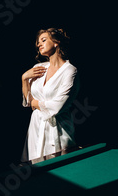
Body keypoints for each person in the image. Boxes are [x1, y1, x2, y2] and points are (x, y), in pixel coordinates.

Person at [20, 28, 79, 163]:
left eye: (43, 40)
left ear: (56, 42)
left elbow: (57, 106)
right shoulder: (39, 68)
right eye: (38, 42)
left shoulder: (70, 71)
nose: (39, 44)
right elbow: (28, 100)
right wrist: (24, 78)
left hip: (58, 128)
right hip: (36, 126)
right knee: (34, 170)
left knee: (61, 170)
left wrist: (34, 104)